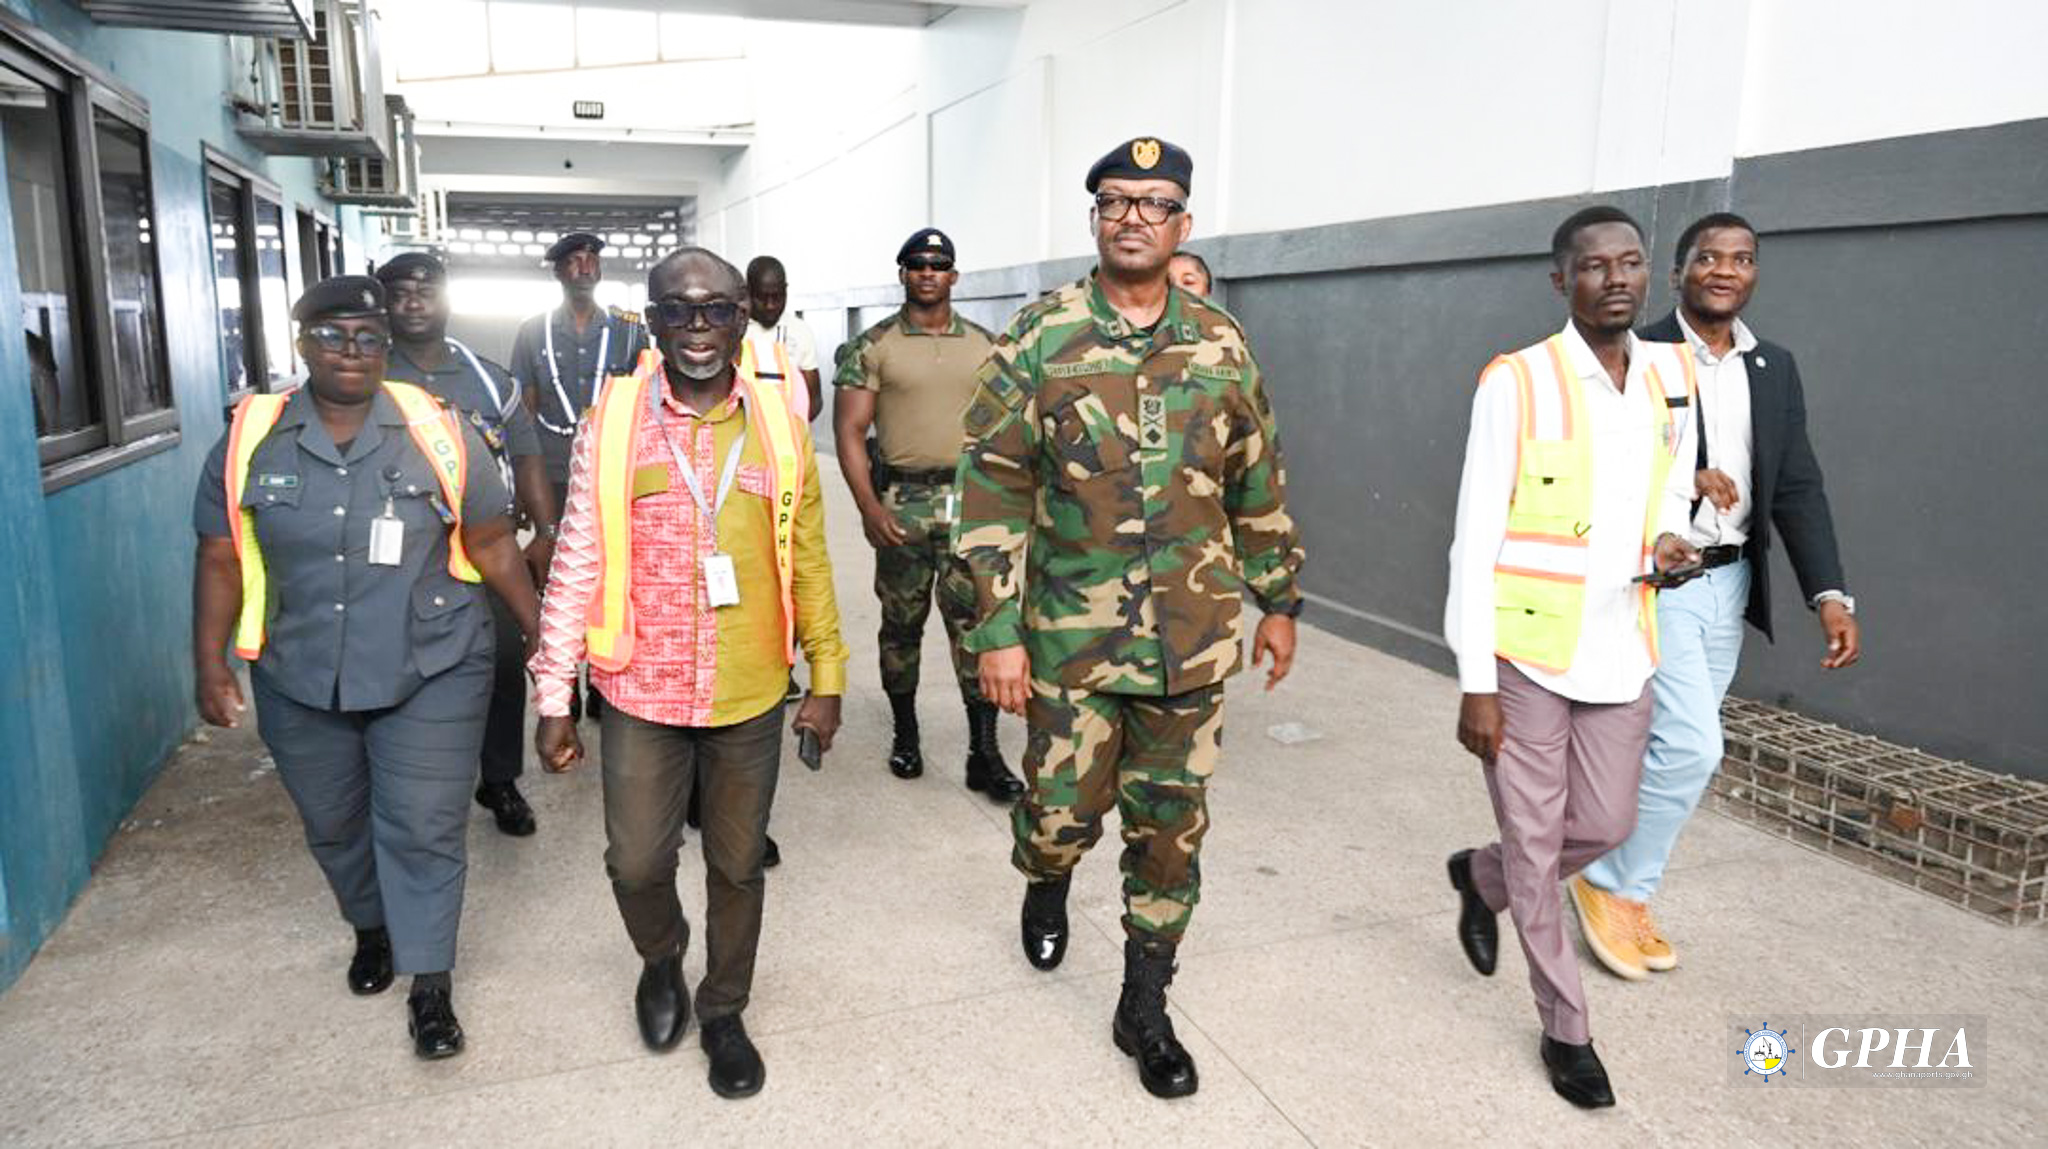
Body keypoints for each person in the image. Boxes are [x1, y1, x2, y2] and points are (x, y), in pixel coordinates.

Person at [954, 137, 1304, 1100]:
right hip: (1070, 641)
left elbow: (1257, 477)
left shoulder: (1223, 342)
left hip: (1192, 642)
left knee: (1170, 830)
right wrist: (995, 632)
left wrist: (1279, 596)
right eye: (1117, 200)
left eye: (1156, 203)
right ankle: (1048, 876)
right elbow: (986, 490)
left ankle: (1144, 1003)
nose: (1136, 216)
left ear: (1183, 224)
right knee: (1062, 816)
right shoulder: (1041, 336)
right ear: (1097, 218)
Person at [190, 275, 541, 1059]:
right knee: (335, 823)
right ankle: (372, 927)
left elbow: (489, 542)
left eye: (370, 339)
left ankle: (431, 984)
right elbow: (219, 556)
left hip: (434, 663)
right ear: (303, 342)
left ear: (387, 348)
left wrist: (542, 636)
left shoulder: (437, 429)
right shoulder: (253, 435)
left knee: (422, 824)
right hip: (300, 667)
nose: (353, 353)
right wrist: (210, 664)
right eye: (333, 336)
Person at [529, 247, 847, 1100]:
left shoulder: (781, 420)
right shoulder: (617, 417)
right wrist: (553, 692)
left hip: (749, 689)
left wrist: (828, 676)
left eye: (715, 309)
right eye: (678, 310)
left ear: (743, 314)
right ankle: (661, 956)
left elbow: (807, 557)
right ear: (652, 318)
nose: (697, 328)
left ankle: (723, 1009)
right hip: (639, 685)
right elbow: (577, 558)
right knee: (636, 862)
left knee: (739, 866)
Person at [1442, 206, 1701, 1109]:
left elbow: (1669, 489)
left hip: (1623, 643)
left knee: (1607, 822)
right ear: (1564, 281)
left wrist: (1673, 541)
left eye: (1631, 262)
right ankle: (1567, 1027)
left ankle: (1482, 875)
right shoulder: (1517, 381)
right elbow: (1475, 536)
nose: (1617, 278)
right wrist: (1476, 678)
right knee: (1539, 837)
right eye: (1595, 266)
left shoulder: (1669, 376)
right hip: (1525, 653)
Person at [1570, 212, 1860, 978]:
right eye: (1708, 257)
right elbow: (1589, 461)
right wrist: (1678, 480)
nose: (1725, 269)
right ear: (1678, 272)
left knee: (1665, 744)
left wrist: (1827, 592)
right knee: (1695, 744)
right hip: (1661, 579)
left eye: (1741, 259)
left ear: (1754, 273)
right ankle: (1612, 885)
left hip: (1731, 582)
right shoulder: (1636, 350)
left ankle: (1604, 862)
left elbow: (1797, 483)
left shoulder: (1775, 367)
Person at [832, 227, 1024, 802]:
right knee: (901, 628)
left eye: (938, 265)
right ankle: (907, 734)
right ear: (903, 273)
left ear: (953, 276)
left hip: (971, 508)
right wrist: (868, 506)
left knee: (977, 629)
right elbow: (849, 430)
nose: (927, 273)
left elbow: (1006, 432)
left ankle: (983, 753)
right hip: (904, 507)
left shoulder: (988, 346)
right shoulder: (875, 345)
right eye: (916, 264)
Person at [380, 251, 556, 838]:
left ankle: (499, 779)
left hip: (487, 548)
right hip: (401, 558)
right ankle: (417, 784)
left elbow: (527, 453)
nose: (412, 301)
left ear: (447, 298)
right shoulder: (367, 373)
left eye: (425, 290)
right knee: (405, 665)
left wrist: (545, 533)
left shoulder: (486, 378)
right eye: (399, 291)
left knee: (502, 661)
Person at [510, 231, 646, 721]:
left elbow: (646, 401)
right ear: (558, 271)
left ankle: (602, 686)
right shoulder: (532, 331)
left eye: (592, 258)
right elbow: (524, 410)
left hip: (611, 471)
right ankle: (560, 684)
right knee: (554, 579)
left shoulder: (631, 331)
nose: (585, 266)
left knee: (609, 576)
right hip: (551, 470)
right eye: (574, 260)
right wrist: (522, 489)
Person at [742, 255, 822, 422]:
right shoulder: (732, 332)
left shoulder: (800, 332)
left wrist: (791, 432)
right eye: (762, 298)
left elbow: (814, 400)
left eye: (777, 297)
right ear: (747, 292)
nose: (770, 305)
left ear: (786, 290)